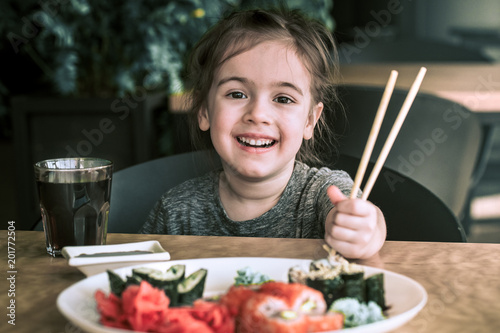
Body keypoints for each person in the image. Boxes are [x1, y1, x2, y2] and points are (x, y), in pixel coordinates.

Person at [140, 7, 386, 259]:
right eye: (237, 94)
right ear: (204, 111)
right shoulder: (176, 211)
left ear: (310, 120)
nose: (257, 114)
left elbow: (364, 216)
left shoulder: (322, 193)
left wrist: (364, 231)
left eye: (283, 98)